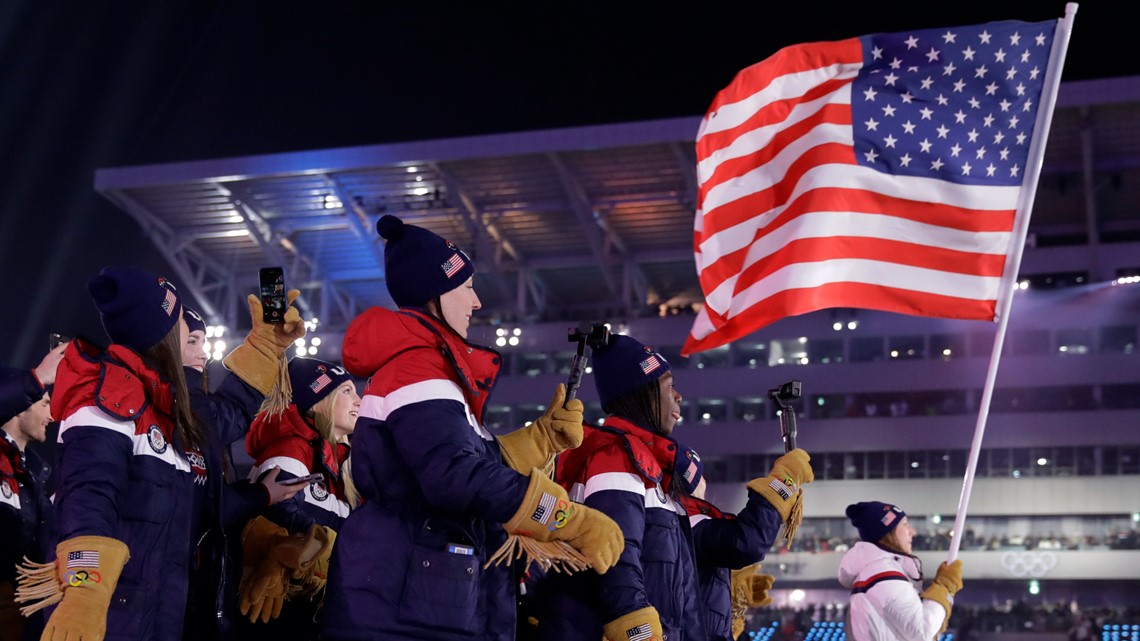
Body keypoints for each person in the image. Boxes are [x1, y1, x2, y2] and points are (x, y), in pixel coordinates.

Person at [321, 214, 624, 641]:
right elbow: (453, 475)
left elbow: (462, 459)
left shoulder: (424, 366)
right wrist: (566, 519)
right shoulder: (418, 367)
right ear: (436, 294)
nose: (476, 301)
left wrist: (540, 439)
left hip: (415, 597)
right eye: (465, 287)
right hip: (409, 609)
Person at [13, 266, 304, 641]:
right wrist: (84, 588)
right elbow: (88, 500)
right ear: (163, 331)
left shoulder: (165, 403)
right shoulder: (108, 396)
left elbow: (226, 414)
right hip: (112, 616)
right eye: (182, 320)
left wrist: (265, 345)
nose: (190, 333)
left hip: (160, 610)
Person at [537, 335, 813, 641]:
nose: (679, 397)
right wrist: (783, 484)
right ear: (643, 393)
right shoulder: (617, 456)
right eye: (669, 386)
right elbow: (617, 556)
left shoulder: (646, 469)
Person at [179, 303, 308, 641]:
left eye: (203, 341)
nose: (203, 352)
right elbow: (198, 508)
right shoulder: (158, 410)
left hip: (196, 599)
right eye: (192, 340)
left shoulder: (196, 410)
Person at [236, 356, 359, 640]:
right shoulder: (293, 447)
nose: (359, 400)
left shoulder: (343, 465)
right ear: (316, 403)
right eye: (346, 391)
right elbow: (278, 510)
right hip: (284, 617)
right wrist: (327, 545)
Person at [675, 444, 794, 641]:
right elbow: (748, 542)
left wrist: (731, 587)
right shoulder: (690, 523)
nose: (706, 481)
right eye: (701, 475)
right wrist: (784, 482)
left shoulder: (672, 525)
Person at [838, 501, 965, 641]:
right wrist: (944, 586)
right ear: (888, 533)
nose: (912, 532)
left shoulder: (874, 571)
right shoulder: (882, 572)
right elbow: (922, 631)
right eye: (905, 524)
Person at [0, 385, 56, 641]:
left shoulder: (36, 475)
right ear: (18, 406)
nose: (52, 414)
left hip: (23, 606)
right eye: (44, 403)